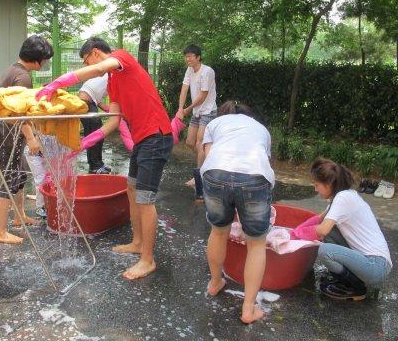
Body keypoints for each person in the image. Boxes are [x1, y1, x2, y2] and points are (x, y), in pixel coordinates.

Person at [36, 37, 173, 280]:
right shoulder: (113, 83)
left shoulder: (122, 58)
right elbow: (114, 120)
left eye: (86, 59)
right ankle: (138, 242)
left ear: (96, 53)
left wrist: (59, 82)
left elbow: (99, 68)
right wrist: (82, 145)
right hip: (143, 139)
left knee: (145, 198)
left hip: (156, 135)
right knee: (132, 189)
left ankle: (148, 260)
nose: (88, 66)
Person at [200, 100, 274, 324]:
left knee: (218, 231)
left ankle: (215, 283)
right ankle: (248, 308)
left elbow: (208, 154)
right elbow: (264, 162)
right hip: (254, 177)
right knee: (256, 243)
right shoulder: (261, 129)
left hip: (215, 173)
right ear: (249, 115)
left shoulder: (215, 124)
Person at [291, 158, 392, 300]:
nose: (315, 189)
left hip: (376, 266)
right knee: (331, 231)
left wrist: (298, 235)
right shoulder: (343, 195)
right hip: (370, 261)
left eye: (317, 185)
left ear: (328, 184)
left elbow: (322, 230)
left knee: (325, 251)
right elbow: (319, 219)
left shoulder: (343, 198)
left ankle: (357, 288)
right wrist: (294, 232)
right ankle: (351, 278)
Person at [0, 35, 53, 244]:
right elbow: (19, 113)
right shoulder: (23, 77)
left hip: (6, 133)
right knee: (9, 179)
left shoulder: (13, 70)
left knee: (21, 174)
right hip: (5, 135)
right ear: (38, 58)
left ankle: (19, 217)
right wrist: (32, 139)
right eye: (45, 59)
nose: (45, 63)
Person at [176, 44, 217, 201]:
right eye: (186, 56)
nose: (188, 58)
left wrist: (187, 109)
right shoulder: (189, 70)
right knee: (190, 142)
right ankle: (209, 162)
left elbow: (203, 95)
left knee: (200, 143)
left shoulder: (207, 71)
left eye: (191, 56)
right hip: (196, 112)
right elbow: (184, 90)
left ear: (198, 57)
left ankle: (198, 177)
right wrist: (180, 108)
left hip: (208, 111)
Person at [78, 74, 112, 174]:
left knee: (95, 136)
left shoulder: (105, 77)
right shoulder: (112, 75)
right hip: (86, 103)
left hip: (89, 103)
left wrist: (108, 109)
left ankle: (97, 164)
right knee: (95, 137)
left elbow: (98, 99)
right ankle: (95, 166)